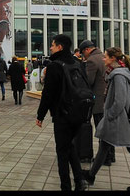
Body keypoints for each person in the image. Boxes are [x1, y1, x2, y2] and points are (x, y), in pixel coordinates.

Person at [81, 47, 130, 191]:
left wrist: (110, 115)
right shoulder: (122, 73)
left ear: (113, 59)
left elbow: (120, 101)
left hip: (120, 120)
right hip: (122, 119)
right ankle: (91, 175)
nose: (103, 58)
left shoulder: (119, 75)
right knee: (105, 146)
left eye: (106, 56)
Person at [35, 34, 86, 191]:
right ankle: (79, 181)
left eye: (52, 45)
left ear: (60, 47)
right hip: (79, 112)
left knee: (62, 152)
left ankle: (66, 186)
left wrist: (40, 115)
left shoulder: (54, 66)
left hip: (62, 114)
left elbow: (48, 94)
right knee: (69, 146)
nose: (50, 47)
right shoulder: (78, 63)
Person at [78, 39, 113, 165]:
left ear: (87, 49)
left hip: (98, 100)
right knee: (107, 129)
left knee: (100, 128)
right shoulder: (103, 56)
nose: (83, 56)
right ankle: (111, 155)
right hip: (107, 98)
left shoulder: (92, 60)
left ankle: (105, 158)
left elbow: (89, 80)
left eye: (83, 53)